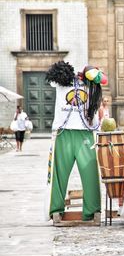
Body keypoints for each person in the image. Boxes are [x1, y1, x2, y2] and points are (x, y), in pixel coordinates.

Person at [44, 61, 104, 222]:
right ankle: (57, 209)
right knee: (60, 173)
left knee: (90, 173)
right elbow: (51, 77)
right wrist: (68, 76)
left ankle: (91, 211)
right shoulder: (62, 83)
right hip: (65, 132)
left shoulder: (93, 86)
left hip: (85, 133)